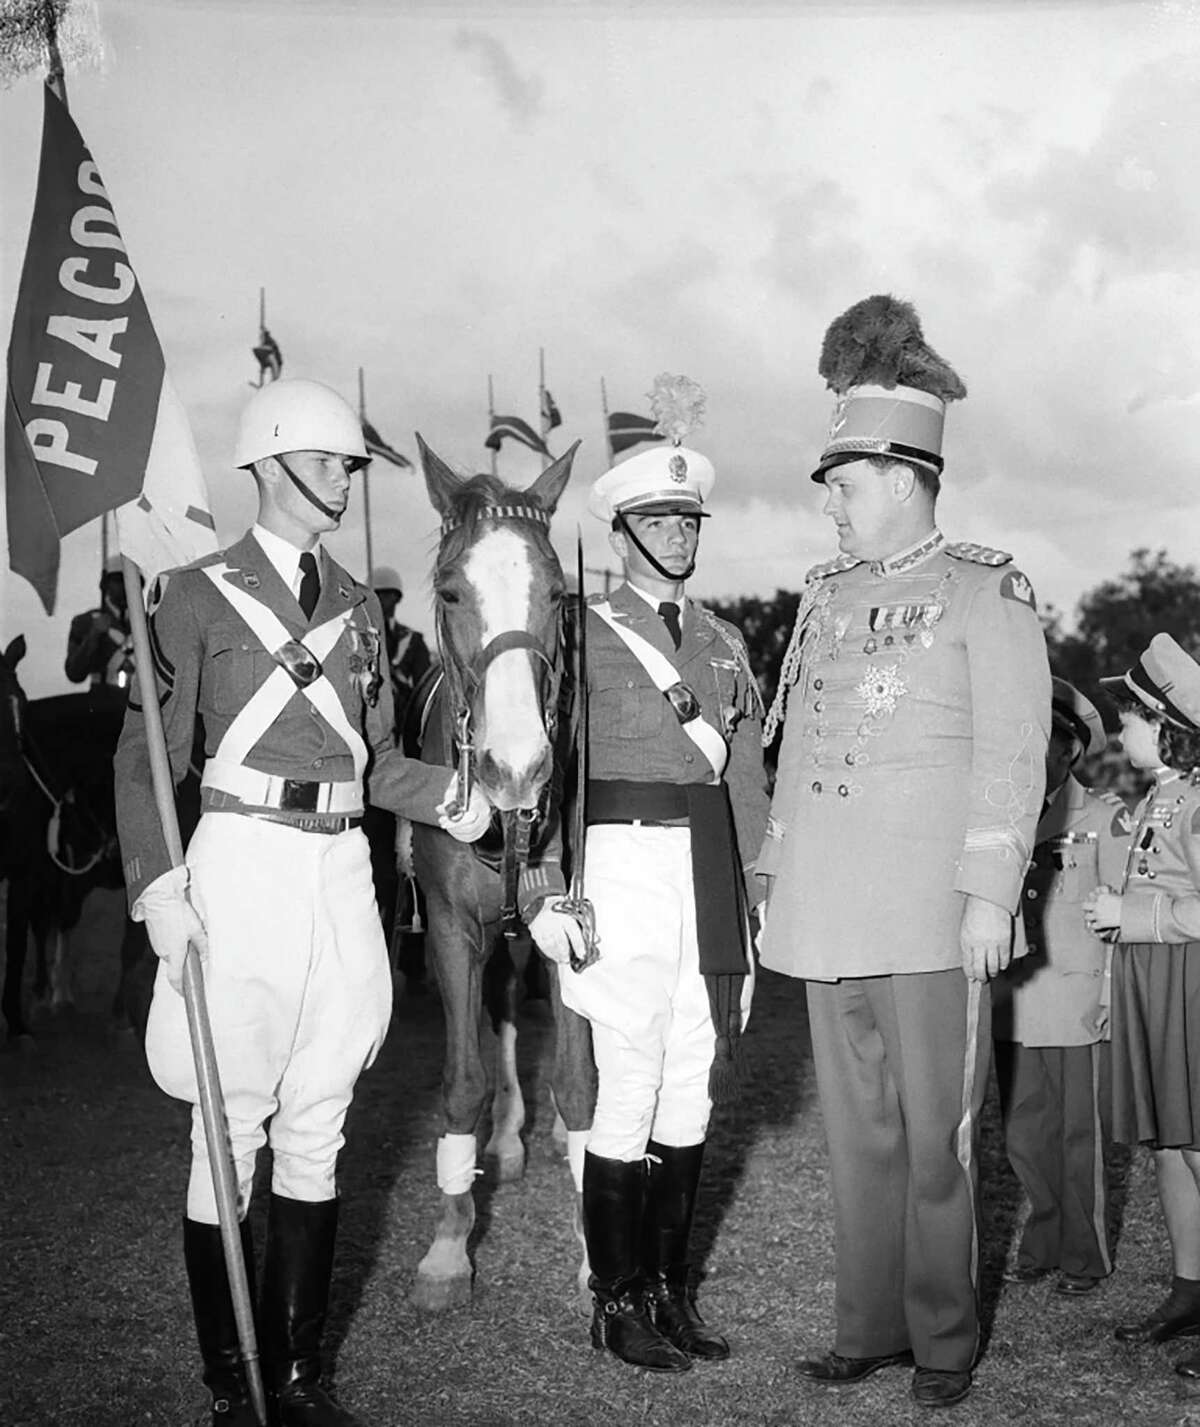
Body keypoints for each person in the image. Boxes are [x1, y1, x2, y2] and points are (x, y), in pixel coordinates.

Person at [114, 377, 490, 1427]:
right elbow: (142, 754)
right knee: (228, 1130)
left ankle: (299, 1374)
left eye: (350, 466)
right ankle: (234, 1379)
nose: (343, 480)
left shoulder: (358, 608)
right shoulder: (190, 595)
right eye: (327, 462)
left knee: (320, 1116)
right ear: (269, 465)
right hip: (239, 857)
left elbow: (369, 760)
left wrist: (455, 797)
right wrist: (158, 888)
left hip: (340, 866)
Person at [757, 296, 1051, 1410]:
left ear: (902, 474)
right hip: (833, 911)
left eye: (842, 482)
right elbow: (802, 756)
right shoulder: (825, 599)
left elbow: (1013, 754)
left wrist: (987, 895)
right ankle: (867, 1324)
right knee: (859, 1135)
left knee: (939, 1140)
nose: (831, 504)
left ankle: (942, 1339)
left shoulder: (988, 589)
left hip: (934, 916)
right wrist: (776, 877)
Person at [528, 375, 769, 1374]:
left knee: (691, 1085)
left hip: (707, 868)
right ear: (619, 528)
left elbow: (746, 781)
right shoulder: (577, 637)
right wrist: (546, 887)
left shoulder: (723, 642)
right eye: (657, 518)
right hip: (619, 860)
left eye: (688, 517)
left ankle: (669, 1291)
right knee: (627, 1076)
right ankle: (615, 1299)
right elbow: (543, 770)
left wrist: (757, 899)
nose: (678, 531)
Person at [1083, 634, 1200, 1380]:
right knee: (1169, 1142)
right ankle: (1190, 1289)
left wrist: (1137, 918)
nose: (1120, 730)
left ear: (1166, 723)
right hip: (1150, 981)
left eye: (1130, 716)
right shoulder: (1159, 794)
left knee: (1198, 1144)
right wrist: (1106, 988)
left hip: (1190, 979)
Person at [992, 677, 1131, 1297]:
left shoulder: (1102, 816)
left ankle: (1084, 1253)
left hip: (1077, 1002)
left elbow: (1120, 915)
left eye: (1048, 740)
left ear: (1071, 749)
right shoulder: (998, 816)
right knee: (1024, 1132)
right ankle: (1044, 1236)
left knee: (1080, 1135)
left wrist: (1109, 997)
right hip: (1013, 1003)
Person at [370, 565, 432, 741]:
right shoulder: (356, 637)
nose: (383, 601)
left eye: (388, 595)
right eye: (377, 595)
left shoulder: (413, 641)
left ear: (397, 598)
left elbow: (424, 685)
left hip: (404, 716)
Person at [64, 555, 135, 693]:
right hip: (102, 703)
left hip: (139, 704)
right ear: (105, 584)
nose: (126, 585)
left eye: (132, 580)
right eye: (119, 580)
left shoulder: (150, 623)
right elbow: (74, 674)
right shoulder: (85, 622)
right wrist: (93, 634)